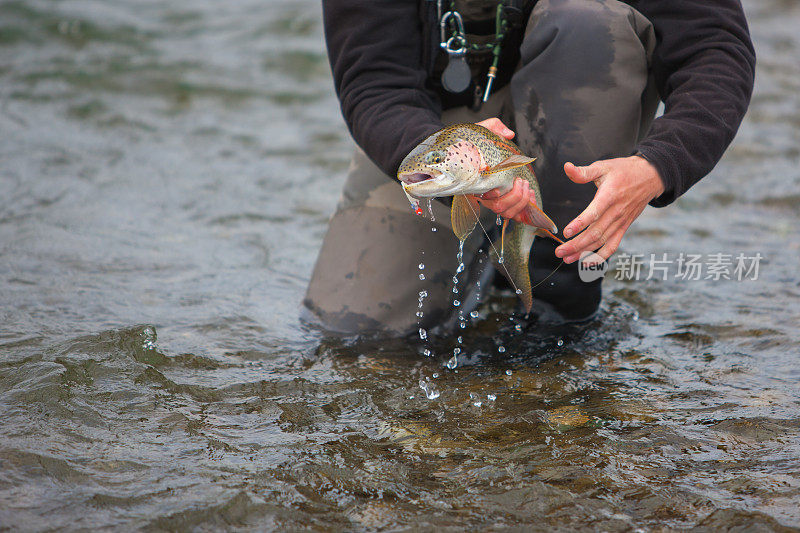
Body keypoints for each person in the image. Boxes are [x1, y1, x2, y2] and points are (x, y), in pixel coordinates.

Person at [305, 0, 755, 335]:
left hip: (576, 92)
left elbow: (714, 49)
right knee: (354, 333)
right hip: (439, 134)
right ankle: (491, 261)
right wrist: (426, 148)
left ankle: (555, 299)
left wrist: (657, 166)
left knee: (588, 23)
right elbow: (375, 85)